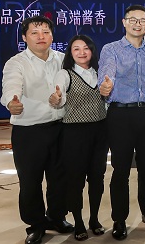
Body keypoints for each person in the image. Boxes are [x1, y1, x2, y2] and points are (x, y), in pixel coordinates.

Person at [1, 15, 72, 244]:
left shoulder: (63, 59)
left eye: (46, 32)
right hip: (29, 131)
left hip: (60, 128)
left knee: (60, 178)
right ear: (24, 37)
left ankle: (57, 217)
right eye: (34, 32)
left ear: (52, 35)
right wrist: (11, 102)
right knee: (30, 181)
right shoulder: (16, 63)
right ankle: (35, 225)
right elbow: (11, 86)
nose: (41, 37)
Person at [98, 5, 145, 240]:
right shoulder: (111, 49)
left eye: (142, 20)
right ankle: (119, 219)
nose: (138, 24)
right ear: (124, 22)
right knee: (121, 170)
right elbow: (107, 73)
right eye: (133, 19)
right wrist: (105, 85)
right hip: (120, 115)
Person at [49, 34, 108, 241]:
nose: (82, 52)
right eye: (76, 49)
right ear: (70, 53)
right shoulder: (65, 74)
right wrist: (56, 99)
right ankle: (79, 222)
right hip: (74, 133)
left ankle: (94, 219)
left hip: (100, 132)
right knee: (76, 180)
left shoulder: (100, 72)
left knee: (97, 178)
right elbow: (59, 96)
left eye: (86, 48)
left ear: (92, 50)